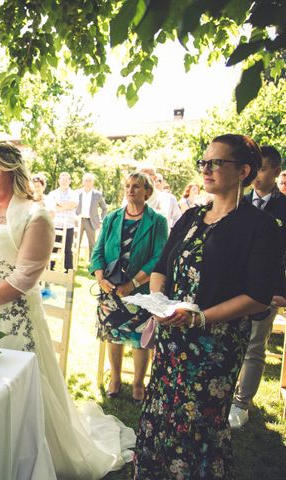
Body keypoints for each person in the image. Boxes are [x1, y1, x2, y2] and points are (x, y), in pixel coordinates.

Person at [0, 143, 135, 479]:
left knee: (13, 385)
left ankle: (20, 457)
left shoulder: (36, 216)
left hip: (10, 319)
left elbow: (24, 277)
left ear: (12, 172)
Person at [135, 134, 282, 479]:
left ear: (244, 170)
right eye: (204, 162)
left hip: (215, 346)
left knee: (198, 425)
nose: (206, 168)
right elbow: (161, 268)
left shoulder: (259, 226)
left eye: (216, 162)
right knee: (162, 413)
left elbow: (259, 294)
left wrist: (200, 318)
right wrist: (159, 302)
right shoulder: (190, 217)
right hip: (173, 339)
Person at [90, 172, 168, 403]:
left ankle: (137, 383)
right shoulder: (113, 218)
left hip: (141, 292)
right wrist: (100, 279)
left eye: (136, 186)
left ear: (147, 192)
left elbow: (159, 256)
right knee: (113, 336)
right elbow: (98, 251)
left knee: (140, 339)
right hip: (110, 289)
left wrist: (133, 284)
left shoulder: (157, 221)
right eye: (127, 186)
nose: (130, 190)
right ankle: (114, 378)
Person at [229, 145, 286, 428]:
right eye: (254, 168)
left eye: (263, 169)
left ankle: (241, 403)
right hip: (234, 288)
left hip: (268, 290)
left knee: (254, 346)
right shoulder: (239, 202)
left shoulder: (284, 207)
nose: (256, 175)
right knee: (230, 342)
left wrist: (282, 292)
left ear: (276, 171)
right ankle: (225, 393)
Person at [47, 171, 77, 272]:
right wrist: (66, 206)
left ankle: (68, 270)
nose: (64, 182)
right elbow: (52, 207)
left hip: (68, 226)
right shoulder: (53, 193)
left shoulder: (74, 193)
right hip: (55, 225)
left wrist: (59, 204)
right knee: (52, 248)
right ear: (59, 181)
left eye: (66, 180)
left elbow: (72, 205)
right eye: (62, 180)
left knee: (67, 250)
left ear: (69, 181)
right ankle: (50, 268)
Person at [76, 172, 108, 255]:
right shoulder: (77, 193)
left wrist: (101, 220)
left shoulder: (98, 194)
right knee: (76, 243)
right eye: (86, 180)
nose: (88, 182)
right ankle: (73, 263)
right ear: (83, 182)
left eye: (90, 181)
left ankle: (92, 264)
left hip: (91, 222)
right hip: (78, 221)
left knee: (92, 244)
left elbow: (104, 208)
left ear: (93, 182)